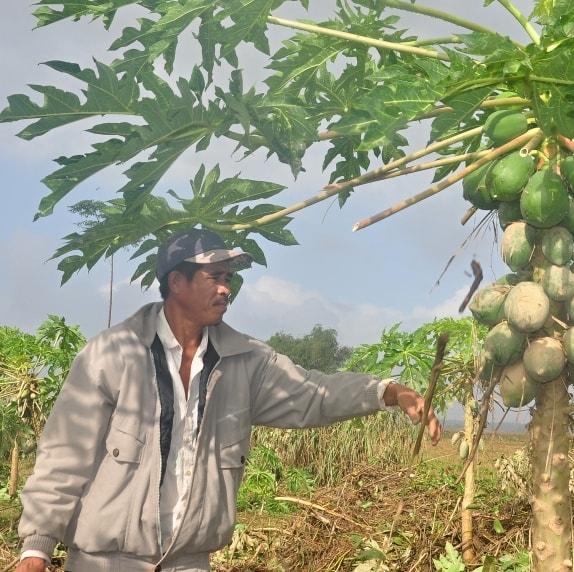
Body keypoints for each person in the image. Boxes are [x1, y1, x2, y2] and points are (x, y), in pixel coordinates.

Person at [15, 228, 442, 572]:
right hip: (105, 560)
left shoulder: (246, 361)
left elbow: (314, 393)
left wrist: (387, 392)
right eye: (213, 278)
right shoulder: (112, 354)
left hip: (189, 561)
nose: (225, 289)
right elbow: (66, 455)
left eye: (229, 279)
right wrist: (36, 546)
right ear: (176, 282)